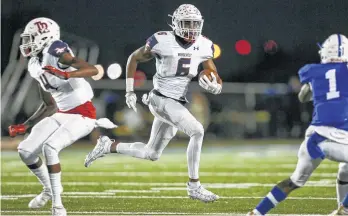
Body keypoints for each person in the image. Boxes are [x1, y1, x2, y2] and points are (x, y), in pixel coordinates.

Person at [84, 4, 221, 203]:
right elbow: (134, 58)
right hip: (161, 99)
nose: (191, 28)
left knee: (152, 153)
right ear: (175, 24)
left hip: (176, 103)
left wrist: (216, 86)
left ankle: (108, 146)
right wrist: (129, 90)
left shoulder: (204, 44)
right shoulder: (162, 40)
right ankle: (194, 186)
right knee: (197, 130)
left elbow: (213, 73)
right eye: (186, 23)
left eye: (194, 24)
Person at [9, 17, 116, 216]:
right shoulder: (34, 64)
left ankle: (57, 204)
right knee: (25, 150)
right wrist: (26, 124)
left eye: (31, 38)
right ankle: (48, 189)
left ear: (45, 37)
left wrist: (66, 74)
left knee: (50, 147)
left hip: (84, 114)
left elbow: (91, 70)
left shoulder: (55, 50)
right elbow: (49, 104)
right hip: (63, 113)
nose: (27, 43)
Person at [247, 34, 348, 215]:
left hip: (314, 137)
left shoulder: (313, 71)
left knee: (293, 182)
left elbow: (302, 97)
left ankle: (256, 212)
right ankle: (344, 208)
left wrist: (313, 87)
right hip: (335, 139)